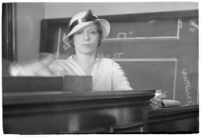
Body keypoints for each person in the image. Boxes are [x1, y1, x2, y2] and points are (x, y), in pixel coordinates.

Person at [9, 10, 132, 91]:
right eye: (79, 33)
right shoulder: (59, 67)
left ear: (99, 37)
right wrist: (25, 71)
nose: (86, 38)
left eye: (92, 32)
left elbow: (131, 98)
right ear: (72, 39)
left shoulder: (110, 67)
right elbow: (23, 74)